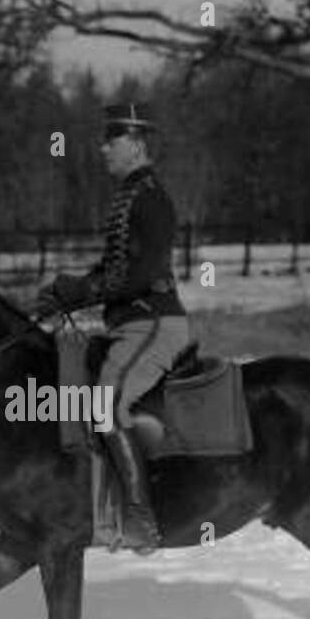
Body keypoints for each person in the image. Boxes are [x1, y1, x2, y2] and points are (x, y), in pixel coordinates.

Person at [39, 103, 191, 552]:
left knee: (103, 405)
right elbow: (115, 266)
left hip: (151, 321)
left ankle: (142, 520)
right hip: (132, 322)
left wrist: (83, 292)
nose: (103, 146)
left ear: (137, 144)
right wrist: (70, 288)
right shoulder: (130, 194)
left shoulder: (151, 197)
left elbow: (142, 274)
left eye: (113, 139)